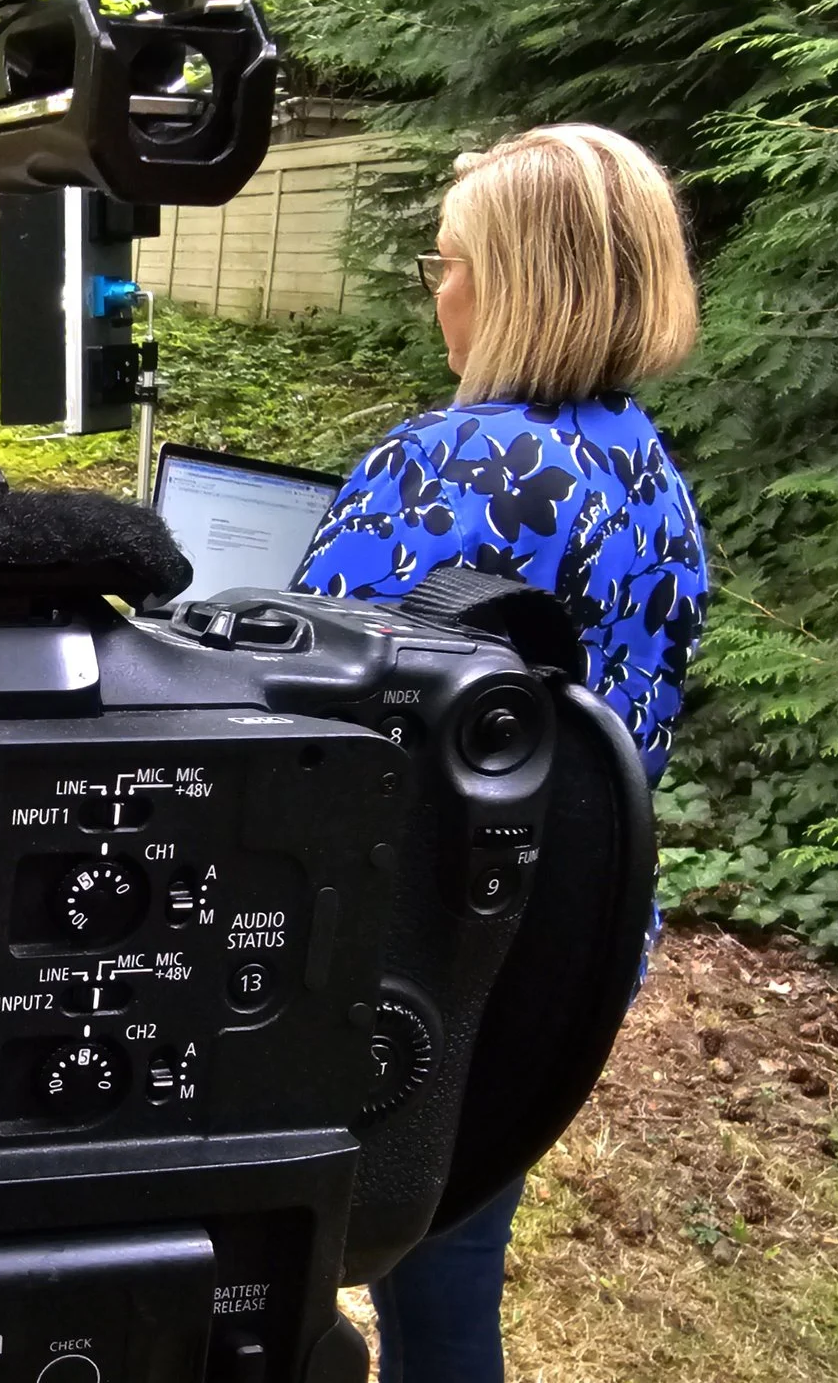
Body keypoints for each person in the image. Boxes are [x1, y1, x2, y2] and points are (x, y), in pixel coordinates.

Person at [293, 124, 710, 1382]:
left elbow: (304, 716)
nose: (439, 289)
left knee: (290, 1264)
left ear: (518, 282)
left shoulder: (453, 461)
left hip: (414, 957)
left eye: (450, 260)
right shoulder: (645, 465)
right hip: (561, 944)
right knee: (449, 1260)